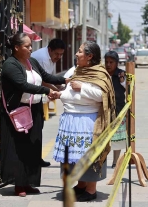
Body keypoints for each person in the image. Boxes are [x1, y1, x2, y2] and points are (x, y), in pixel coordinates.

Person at [0, 33, 68, 197]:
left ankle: (30, 182)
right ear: (16, 48)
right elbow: (23, 85)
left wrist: (66, 80)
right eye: (27, 46)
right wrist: (47, 91)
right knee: (20, 148)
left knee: (33, 146)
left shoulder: (32, 62)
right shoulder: (10, 65)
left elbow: (47, 77)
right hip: (18, 111)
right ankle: (19, 184)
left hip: (34, 109)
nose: (31, 49)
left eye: (31, 46)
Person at [52, 41, 116, 202]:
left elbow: (103, 96)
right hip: (71, 120)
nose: (76, 54)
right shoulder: (76, 70)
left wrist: (83, 87)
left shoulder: (100, 73)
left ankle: (90, 189)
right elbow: (70, 91)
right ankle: (80, 185)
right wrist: (59, 95)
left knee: (88, 156)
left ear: (89, 56)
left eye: (79, 51)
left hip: (88, 121)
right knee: (75, 157)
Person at [31, 38, 66, 167]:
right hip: (32, 96)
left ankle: (36, 157)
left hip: (38, 95)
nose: (59, 57)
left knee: (39, 126)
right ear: (50, 50)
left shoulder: (50, 57)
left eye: (61, 54)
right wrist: (57, 89)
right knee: (35, 127)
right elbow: (43, 79)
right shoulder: (43, 58)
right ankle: (34, 158)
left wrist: (58, 87)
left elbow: (48, 77)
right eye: (57, 54)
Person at [104, 51, 127, 168]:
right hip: (104, 110)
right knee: (103, 136)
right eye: (106, 62)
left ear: (116, 63)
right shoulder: (102, 74)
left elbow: (129, 89)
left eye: (111, 62)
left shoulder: (121, 74)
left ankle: (115, 162)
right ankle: (102, 160)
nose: (108, 64)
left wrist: (123, 81)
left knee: (117, 138)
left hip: (119, 109)